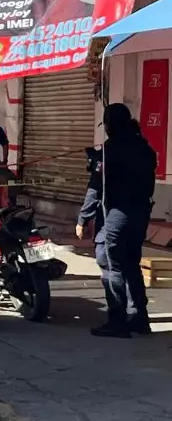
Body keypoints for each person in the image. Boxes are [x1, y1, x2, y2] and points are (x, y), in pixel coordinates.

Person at [76, 103, 156, 338]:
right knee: (131, 264)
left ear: (111, 125)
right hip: (140, 214)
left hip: (116, 216)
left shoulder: (109, 151)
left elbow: (95, 188)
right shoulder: (144, 148)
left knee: (111, 266)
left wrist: (83, 218)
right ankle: (139, 316)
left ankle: (117, 319)